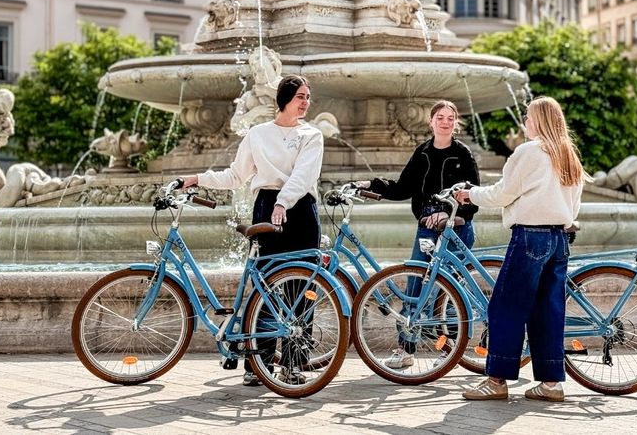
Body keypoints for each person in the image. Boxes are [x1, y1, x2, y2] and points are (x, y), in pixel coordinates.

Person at [180, 74, 323, 386]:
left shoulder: (312, 135)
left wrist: (284, 202)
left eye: (308, 97)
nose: (306, 102)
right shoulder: (258, 134)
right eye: (300, 96)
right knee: (265, 288)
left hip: (300, 209)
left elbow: (304, 173)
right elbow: (235, 175)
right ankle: (257, 363)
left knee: (302, 290)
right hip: (267, 207)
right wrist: (198, 178)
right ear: (285, 98)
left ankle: (294, 364)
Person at [455, 97, 585, 401]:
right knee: (548, 311)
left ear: (538, 121)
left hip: (530, 238)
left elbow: (503, 193)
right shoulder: (568, 154)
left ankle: (497, 381)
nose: (524, 122)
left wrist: (469, 194)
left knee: (505, 307)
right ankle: (551, 384)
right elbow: (574, 204)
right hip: (559, 239)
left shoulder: (528, 152)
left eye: (527, 117)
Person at [356, 100, 480, 369]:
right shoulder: (422, 152)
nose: (445, 122)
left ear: (455, 122)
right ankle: (406, 348)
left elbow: (474, 197)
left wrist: (452, 214)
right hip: (426, 229)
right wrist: (371, 184)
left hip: (456, 230)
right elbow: (402, 187)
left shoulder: (463, 154)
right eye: (440, 117)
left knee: (448, 295)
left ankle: (450, 350)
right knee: (414, 288)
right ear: (431, 122)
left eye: (450, 118)